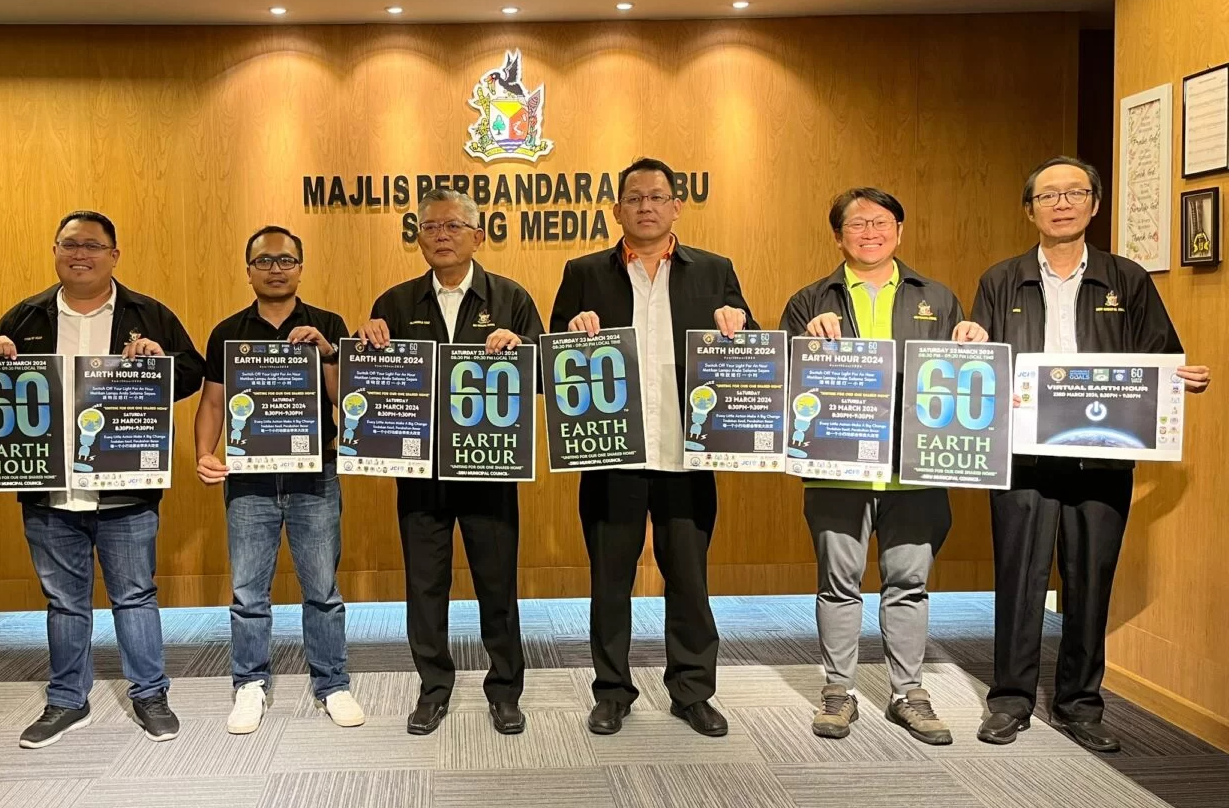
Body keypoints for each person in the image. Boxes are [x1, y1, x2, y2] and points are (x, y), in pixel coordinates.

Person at [971, 157, 1211, 751]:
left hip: (1103, 458)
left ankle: (1080, 705)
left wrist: (1182, 379)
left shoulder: (1126, 278)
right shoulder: (1000, 280)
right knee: (1019, 578)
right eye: (1047, 195)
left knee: (1089, 580)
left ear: (1094, 205)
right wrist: (969, 342)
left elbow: (1161, 357)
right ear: (1029, 209)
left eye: (1074, 192)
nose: (1061, 203)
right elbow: (981, 363)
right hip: (1023, 458)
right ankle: (1010, 700)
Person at [0, 210, 204, 748]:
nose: (81, 254)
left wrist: (160, 362)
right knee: (64, 600)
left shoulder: (147, 313)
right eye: (70, 244)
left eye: (93, 246)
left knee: (135, 595)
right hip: (49, 487)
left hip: (126, 486)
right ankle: (66, 700)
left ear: (114, 255)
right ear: (55, 251)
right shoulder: (26, 316)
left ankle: (150, 694)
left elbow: (195, 371)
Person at [550, 156, 752, 737]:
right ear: (617, 210)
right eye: (634, 198)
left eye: (657, 197)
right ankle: (612, 691)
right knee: (610, 579)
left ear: (675, 207)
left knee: (689, 578)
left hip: (686, 452)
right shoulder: (584, 271)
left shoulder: (715, 269)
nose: (645, 206)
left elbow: (751, 353)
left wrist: (737, 322)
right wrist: (571, 333)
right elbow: (554, 365)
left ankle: (692, 691)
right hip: (610, 453)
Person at [782, 187, 989, 745]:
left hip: (914, 469)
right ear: (838, 236)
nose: (869, 231)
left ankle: (908, 692)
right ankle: (838, 691)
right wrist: (806, 342)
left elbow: (961, 377)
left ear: (899, 230)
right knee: (837, 583)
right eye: (856, 224)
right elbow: (787, 383)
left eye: (880, 222)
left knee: (909, 582)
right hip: (836, 471)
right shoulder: (809, 300)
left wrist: (972, 340)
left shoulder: (938, 297)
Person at [357, 188, 544, 736]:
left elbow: (541, 380)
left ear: (478, 237)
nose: (440, 235)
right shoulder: (393, 302)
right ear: (418, 239)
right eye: (430, 227)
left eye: (453, 227)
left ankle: (505, 691)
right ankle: (433, 688)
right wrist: (367, 340)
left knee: (497, 584)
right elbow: (372, 389)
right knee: (425, 584)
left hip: (489, 468)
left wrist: (522, 351)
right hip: (421, 471)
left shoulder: (510, 298)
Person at [195, 226, 364, 734]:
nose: (275, 269)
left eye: (286, 260)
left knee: (323, 588)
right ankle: (249, 683)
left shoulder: (327, 323)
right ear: (248, 270)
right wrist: (203, 452)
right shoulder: (228, 330)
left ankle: (331, 682)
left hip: (317, 476)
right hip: (249, 481)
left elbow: (347, 402)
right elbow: (212, 401)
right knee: (249, 592)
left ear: (301, 267)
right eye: (264, 261)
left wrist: (329, 353)